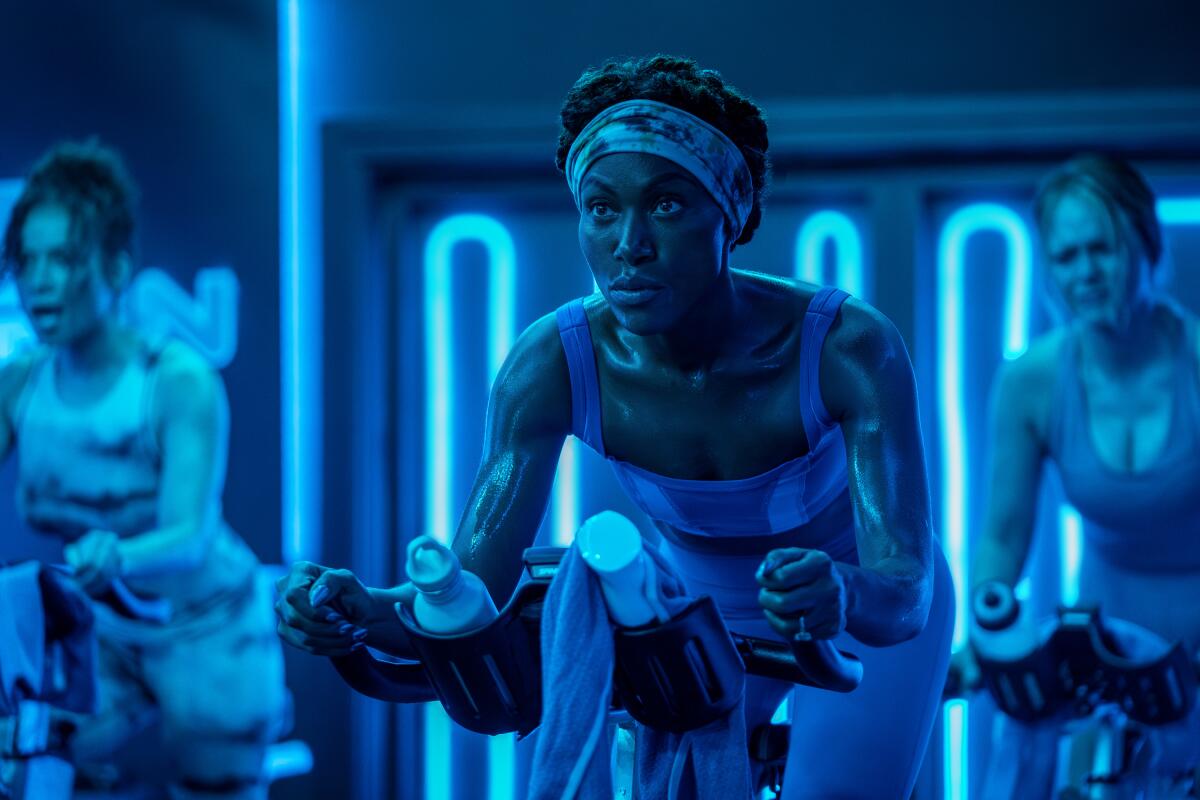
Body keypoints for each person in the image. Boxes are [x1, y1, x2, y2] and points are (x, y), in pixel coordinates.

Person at [275, 55, 954, 798]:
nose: (629, 243)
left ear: (728, 215)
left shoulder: (848, 347)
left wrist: (845, 594)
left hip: (853, 606)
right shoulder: (550, 364)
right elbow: (467, 601)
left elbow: (905, 592)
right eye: (601, 208)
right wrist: (364, 612)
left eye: (665, 205)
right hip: (686, 608)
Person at [0, 141, 286, 799]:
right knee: (30, 769)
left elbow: (188, 536)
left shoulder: (176, 379)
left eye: (64, 259)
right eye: (28, 259)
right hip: (101, 636)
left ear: (114, 266)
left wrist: (119, 554)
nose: (40, 280)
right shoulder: (18, 386)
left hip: (212, 629)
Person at [963, 155, 1200, 796]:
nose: (1085, 273)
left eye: (1103, 249)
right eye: (1066, 257)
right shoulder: (1031, 381)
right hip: (1108, 653)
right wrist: (986, 628)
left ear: (1146, 245)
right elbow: (1004, 535)